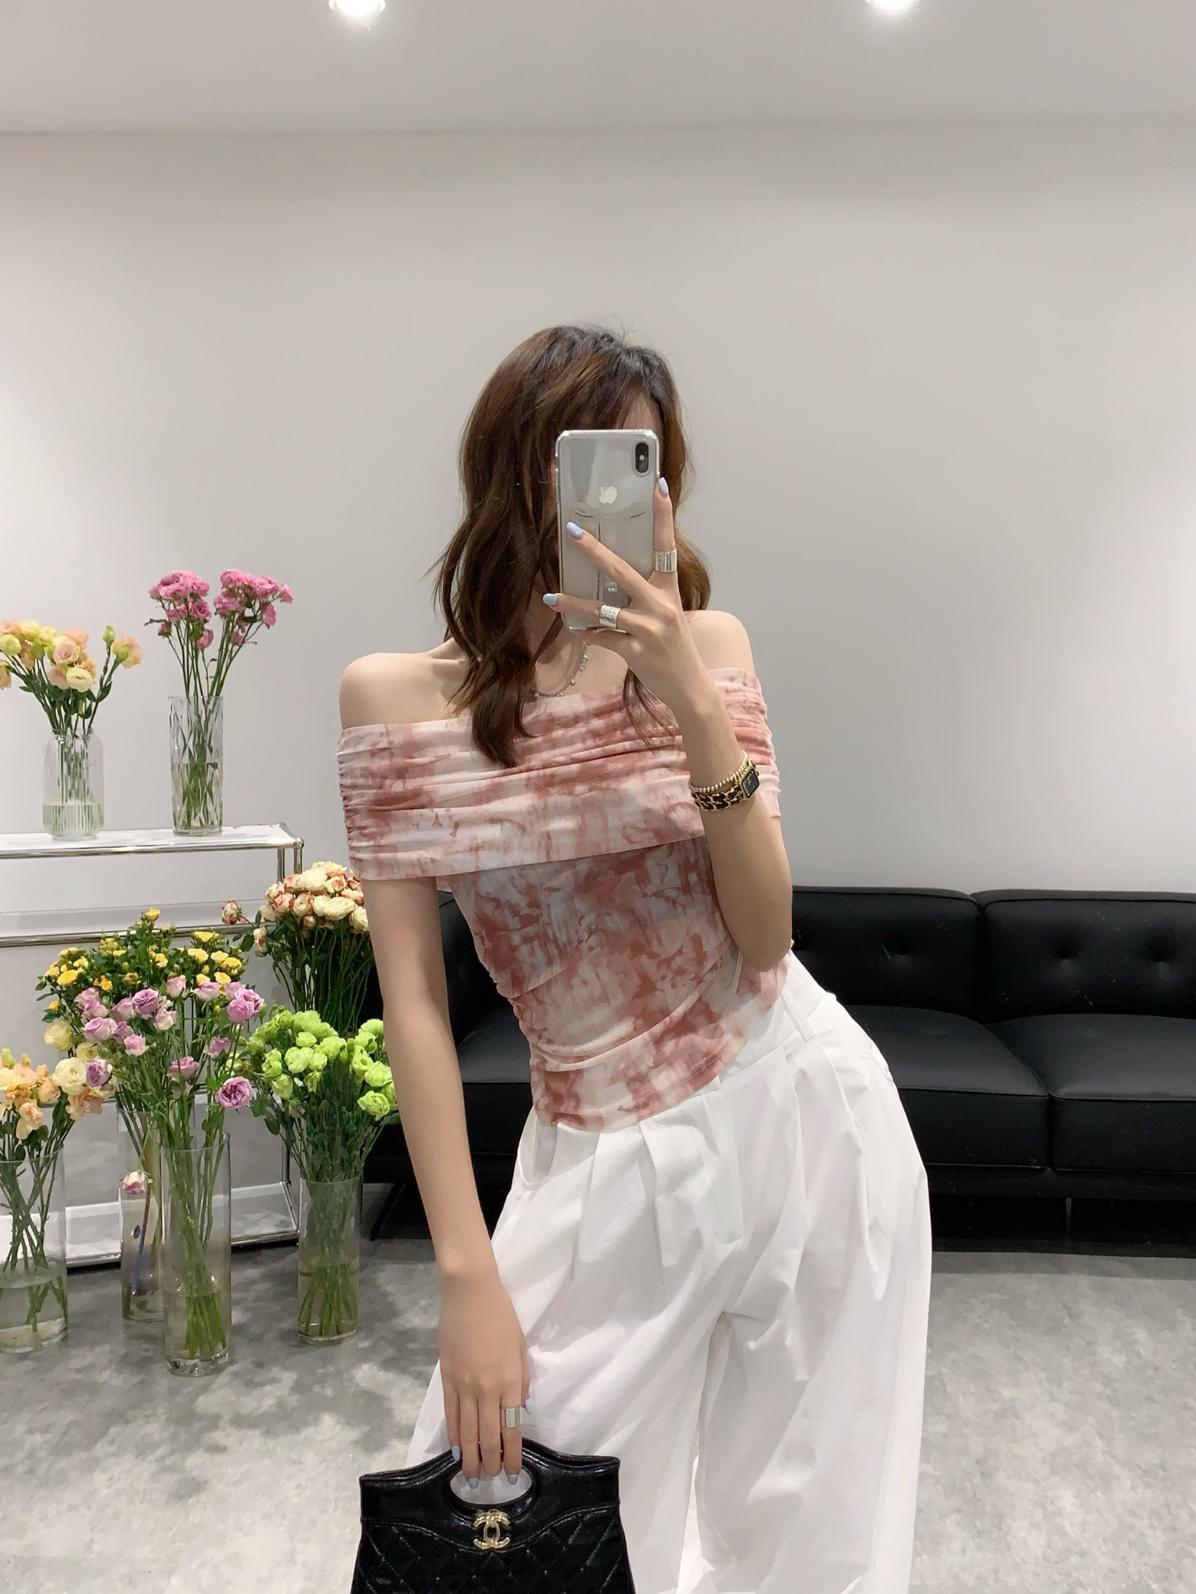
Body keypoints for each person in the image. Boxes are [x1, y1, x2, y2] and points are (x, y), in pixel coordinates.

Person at [337, 324, 933, 1594]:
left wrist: (690, 698)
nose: (618, 494)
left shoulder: (704, 653)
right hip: (597, 1150)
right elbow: (414, 1002)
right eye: (587, 456)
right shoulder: (394, 702)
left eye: (644, 463)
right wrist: (464, 1273)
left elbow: (764, 933)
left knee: (811, 1541)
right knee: (509, 1517)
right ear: (516, 470)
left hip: (804, 1112)